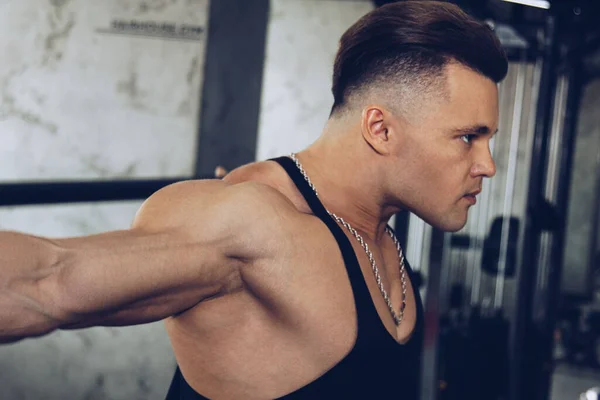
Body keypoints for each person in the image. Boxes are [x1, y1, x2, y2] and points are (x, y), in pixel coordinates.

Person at [0, 1, 508, 399]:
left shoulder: (374, 224)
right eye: (469, 136)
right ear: (379, 128)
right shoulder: (252, 224)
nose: (487, 164)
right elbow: (47, 281)